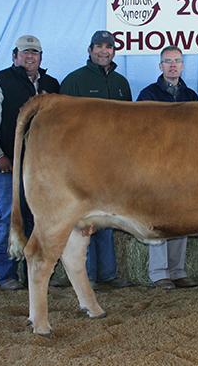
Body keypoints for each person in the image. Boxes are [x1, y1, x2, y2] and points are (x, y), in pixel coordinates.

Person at [0, 35, 60, 290]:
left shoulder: (51, 84)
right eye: (25, 53)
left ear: (41, 57)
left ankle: (35, 273)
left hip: (40, 166)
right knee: (10, 216)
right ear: (14, 56)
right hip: (7, 163)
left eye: (35, 53)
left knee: (38, 217)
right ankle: (6, 274)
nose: (30, 57)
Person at [59, 30, 132, 290]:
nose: (104, 51)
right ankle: (86, 275)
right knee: (85, 217)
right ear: (90, 50)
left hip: (115, 161)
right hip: (84, 161)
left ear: (114, 51)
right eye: (99, 46)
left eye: (109, 47)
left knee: (109, 216)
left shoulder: (122, 82)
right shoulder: (74, 81)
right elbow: (63, 124)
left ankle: (107, 274)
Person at [137, 46, 198, 289]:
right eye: (168, 61)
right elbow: (140, 132)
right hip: (157, 164)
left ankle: (177, 270)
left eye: (177, 61)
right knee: (159, 218)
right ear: (160, 66)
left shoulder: (191, 96)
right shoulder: (148, 95)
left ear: (183, 65)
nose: (173, 65)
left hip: (185, 166)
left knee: (181, 218)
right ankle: (159, 273)